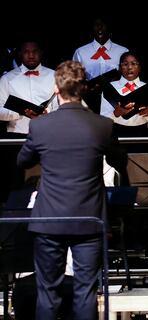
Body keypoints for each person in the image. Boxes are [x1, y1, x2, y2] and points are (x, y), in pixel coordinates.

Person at [16, 60, 127, 319]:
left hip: (49, 220)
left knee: (48, 292)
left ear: (56, 88)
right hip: (88, 220)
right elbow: (120, 160)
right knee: (85, 292)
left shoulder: (40, 126)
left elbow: (23, 161)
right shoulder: (102, 126)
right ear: (84, 88)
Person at [0, 40, 58, 136]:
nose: (31, 56)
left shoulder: (54, 76)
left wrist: (47, 114)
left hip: (48, 133)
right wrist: (20, 112)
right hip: (16, 133)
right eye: (26, 52)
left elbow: (61, 108)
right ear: (20, 54)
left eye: (35, 51)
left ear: (41, 52)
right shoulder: (6, 79)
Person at [72, 17, 129, 113]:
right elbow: (73, 78)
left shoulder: (123, 51)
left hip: (116, 102)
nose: (100, 27)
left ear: (109, 27)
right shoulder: (80, 52)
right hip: (89, 102)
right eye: (96, 24)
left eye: (103, 24)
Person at [100, 51, 148, 137]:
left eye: (134, 64)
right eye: (125, 64)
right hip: (116, 134)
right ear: (120, 68)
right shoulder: (110, 88)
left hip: (142, 134)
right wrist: (115, 113)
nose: (129, 67)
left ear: (139, 67)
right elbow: (102, 122)